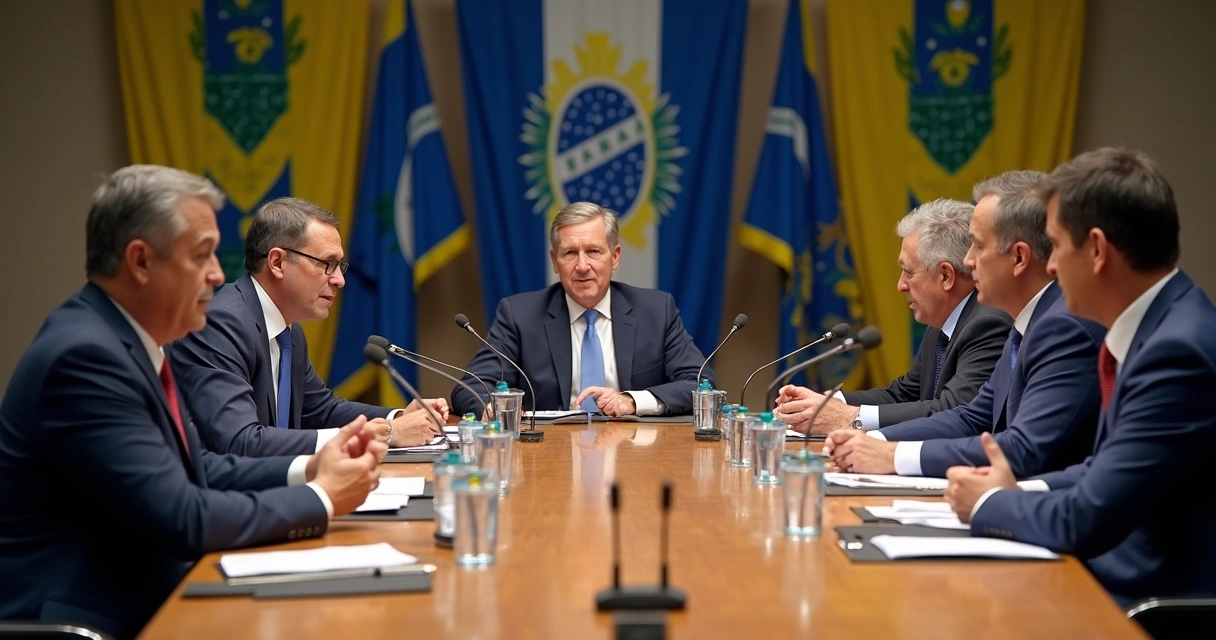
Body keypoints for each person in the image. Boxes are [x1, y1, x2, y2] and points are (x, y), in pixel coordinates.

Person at [0, 166, 385, 639]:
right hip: (94, 617)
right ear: (141, 261)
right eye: (202, 255)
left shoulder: (128, 340)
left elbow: (200, 466)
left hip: (152, 591)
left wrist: (311, 467)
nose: (218, 274)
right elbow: (184, 517)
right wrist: (322, 497)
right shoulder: (85, 357)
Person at [945, 148, 1216, 606]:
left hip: (1140, 607)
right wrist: (1013, 489)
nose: (1050, 267)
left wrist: (990, 503)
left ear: (1096, 250)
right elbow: (1100, 471)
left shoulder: (1177, 352)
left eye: (1056, 246)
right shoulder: (1158, 326)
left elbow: (1085, 518)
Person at [826, 171, 1105, 479]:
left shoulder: (1063, 327)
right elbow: (972, 416)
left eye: (977, 246)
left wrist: (892, 455)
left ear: (1019, 258)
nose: (968, 261)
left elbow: (1024, 448)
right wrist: (873, 442)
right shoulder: (1028, 321)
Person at [170, 197, 448, 457]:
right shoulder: (222, 324)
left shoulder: (288, 330)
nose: (339, 280)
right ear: (277, 262)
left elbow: (320, 411)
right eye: (327, 264)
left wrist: (398, 418)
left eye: (339, 266)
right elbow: (239, 441)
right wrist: (384, 434)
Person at [451, 202, 709, 417]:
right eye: (570, 253)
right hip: (548, 452)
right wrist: (490, 409)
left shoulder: (656, 311)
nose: (583, 266)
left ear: (615, 257)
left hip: (635, 449)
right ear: (555, 261)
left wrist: (632, 401)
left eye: (594, 251)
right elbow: (471, 387)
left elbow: (699, 384)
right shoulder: (519, 316)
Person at [775, 198, 1011, 433]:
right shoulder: (943, 321)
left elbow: (953, 410)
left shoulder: (988, 323)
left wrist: (851, 417)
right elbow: (904, 394)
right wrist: (829, 402)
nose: (900, 285)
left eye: (908, 272)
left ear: (946, 276)